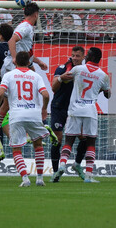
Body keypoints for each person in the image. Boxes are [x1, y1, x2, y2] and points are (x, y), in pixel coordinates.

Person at [0, 2, 48, 146]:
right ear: (36, 14)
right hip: (12, 66)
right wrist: (15, 59)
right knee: (14, 100)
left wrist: (38, 62)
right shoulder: (25, 26)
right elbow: (12, 41)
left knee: (11, 102)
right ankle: (37, 128)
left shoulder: (27, 27)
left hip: (17, 64)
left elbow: (25, 49)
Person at [53, 47, 111, 183]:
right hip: (90, 111)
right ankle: (89, 176)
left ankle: (62, 165)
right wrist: (103, 89)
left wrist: (61, 77)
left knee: (69, 141)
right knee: (90, 143)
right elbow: (108, 94)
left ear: (87, 57)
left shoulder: (78, 69)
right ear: (99, 59)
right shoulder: (103, 75)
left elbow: (65, 79)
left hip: (74, 109)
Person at [0, 51, 50, 187]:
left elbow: (0, 94)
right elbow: (46, 94)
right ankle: (39, 178)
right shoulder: (36, 76)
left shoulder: (8, 75)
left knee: (16, 149)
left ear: (15, 62)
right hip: (34, 114)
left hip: (17, 115)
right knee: (38, 145)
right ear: (28, 62)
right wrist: (44, 109)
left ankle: (25, 179)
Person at [49, 46, 87, 182]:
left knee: (84, 137)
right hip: (59, 107)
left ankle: (77, 164)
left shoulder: (86, 71)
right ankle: (55, 172)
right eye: (73, 55)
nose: (75, 58)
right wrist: (61, 79)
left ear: (84, 57)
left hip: (76, 109)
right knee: (57, 140)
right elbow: (53, 87)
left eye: (78, 56)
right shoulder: (62, 68)